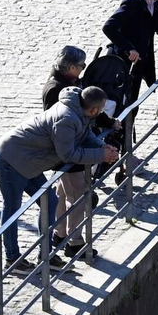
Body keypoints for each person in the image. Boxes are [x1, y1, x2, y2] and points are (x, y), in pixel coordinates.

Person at [0, 86, 117, 270]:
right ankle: (13, 259)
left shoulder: (79, 112)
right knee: (13, 209)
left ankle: (46, 254)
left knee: (50, 202)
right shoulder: (66, 119)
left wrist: (102, 147)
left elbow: (84, 134)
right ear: (94, 110)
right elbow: (69, 154)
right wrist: (100, 155)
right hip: (10, 160)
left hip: (29, 162)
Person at [42, 45, 98, 259]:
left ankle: (60, 233)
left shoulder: (67, 82)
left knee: (63, 193)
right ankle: (74, 242)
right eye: (82, 66)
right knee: (77, 197)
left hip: (68, 150)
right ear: (72, 67)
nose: (84, 69)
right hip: (69, 151)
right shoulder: (56, 89)